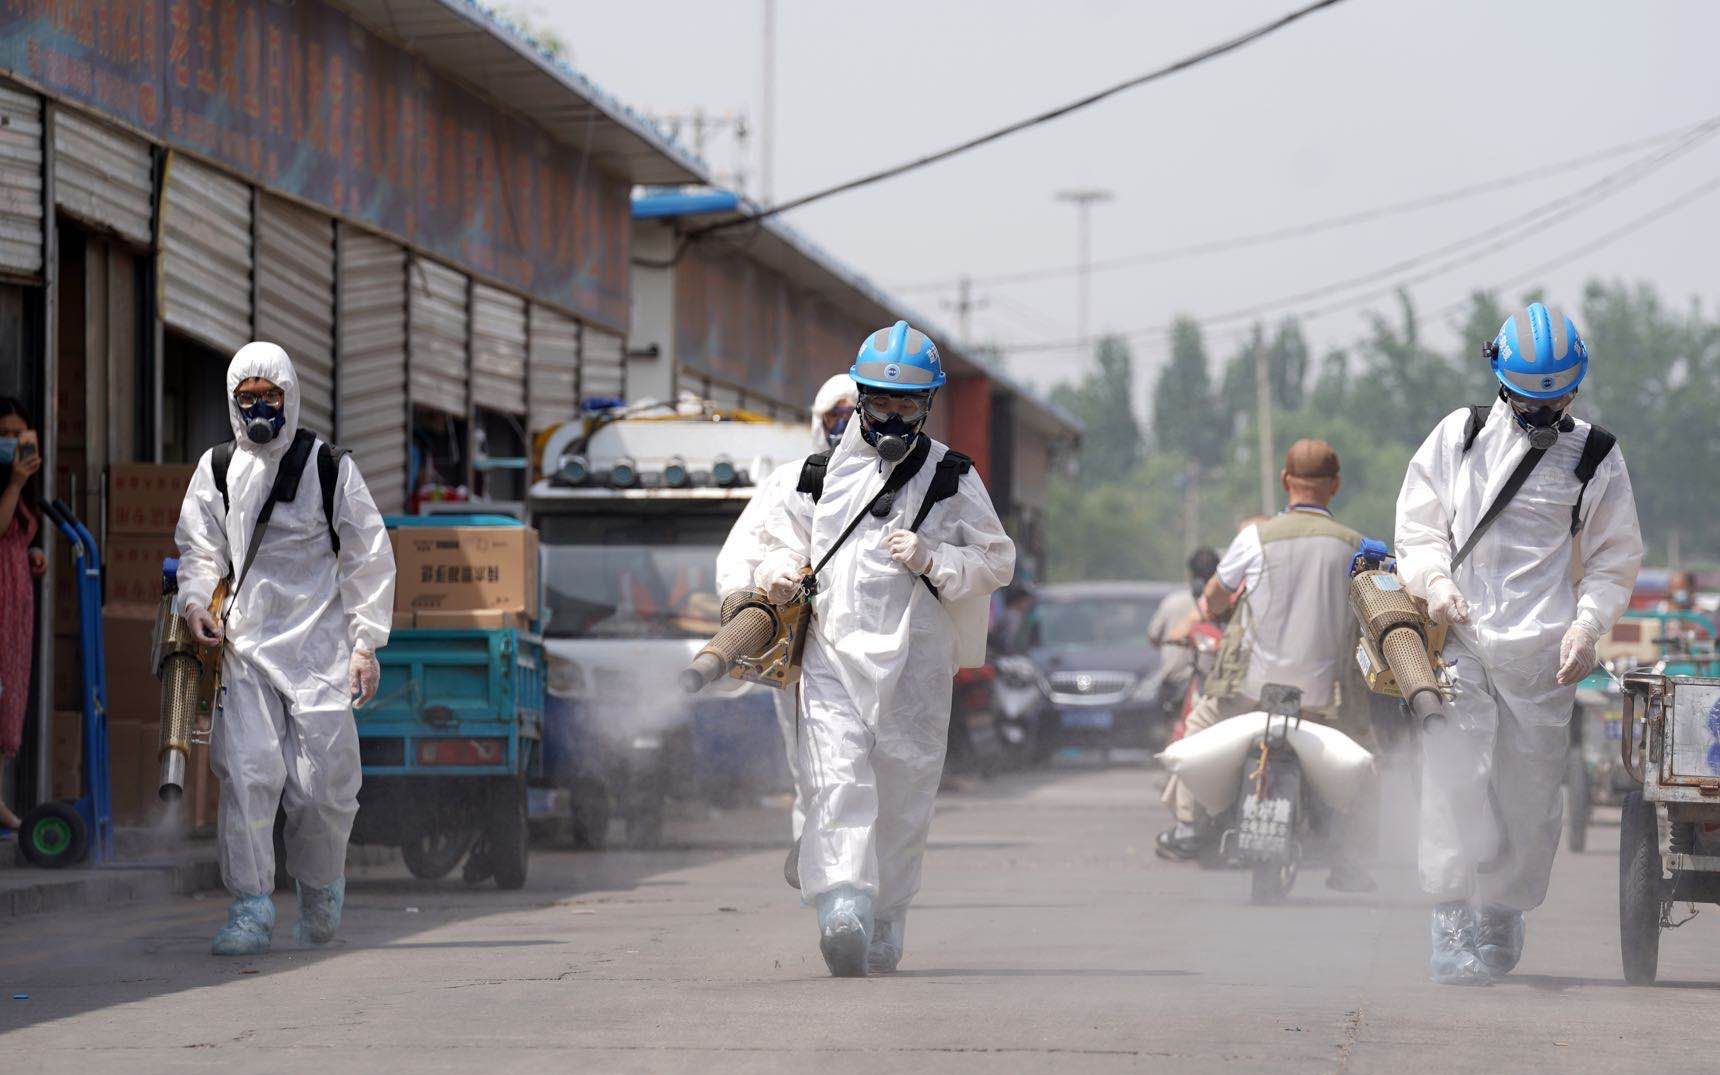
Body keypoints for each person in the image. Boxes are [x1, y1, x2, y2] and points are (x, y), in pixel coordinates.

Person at [753, 320, 1015, 976]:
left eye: (906, 405)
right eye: (880, 403)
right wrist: (780, 567)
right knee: (836, 776)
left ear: (925, 406)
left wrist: (936, 556)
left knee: (902, 792)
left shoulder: (952, 477)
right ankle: (842, 904)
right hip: (832, 654)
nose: (892, 417)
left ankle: (888, 913)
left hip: (916, 664)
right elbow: (773, 536)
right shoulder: (813, 476)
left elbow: (997, 559)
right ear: (860, 399)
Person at [1396, 302, 1641, 985]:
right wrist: (1435, 582)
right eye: (1531, 402)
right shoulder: (1460, 437)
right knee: (1457, 772)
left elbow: (1615, 560)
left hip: (1544, 656)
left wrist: (1587, 627)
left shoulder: (1596, 456)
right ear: (1504, 382)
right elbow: (1418, 530)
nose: (1542, 414)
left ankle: (1502, 908)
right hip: (1465, 636)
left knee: (1530, 793)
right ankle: (1450, 914)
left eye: (1555, 400)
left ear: (1574, 388)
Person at [174, 342, 396, 956]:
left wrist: (365, 644)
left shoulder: (329, 467)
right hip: (245, 647)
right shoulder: (217, 468)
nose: (258, 410)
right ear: (232, 401)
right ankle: (249, 906)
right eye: (247, 399)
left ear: (290, 397)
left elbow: (369, 557)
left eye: (269, 398)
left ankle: (321, 888)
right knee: (248, 777)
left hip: (321, 651)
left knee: (325, 787)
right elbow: (200, 550)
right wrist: (196, 603)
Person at [1155, 440, 1378, 893]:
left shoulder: (1254, 539)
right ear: (1334, 486)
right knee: (1369, 759)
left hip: (1251, 693)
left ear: (1284, 481)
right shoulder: (1357, 547)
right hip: (1326, 699)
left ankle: (1189, 827)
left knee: (1195, 728)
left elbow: (1216, 596)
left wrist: (1209, 608)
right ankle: (1352, 857)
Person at [714, 372, 858, 888]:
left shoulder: (895, 483)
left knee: (864, 771)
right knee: (812, 769)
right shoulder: (790, 481)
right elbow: (739, 556)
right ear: (819, 423)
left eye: (853, 413)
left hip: (867, 652)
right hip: (803, 651)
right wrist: (764, 582)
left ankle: (859, 876)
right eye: (834, 416)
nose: (845, 426)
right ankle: (825, 876)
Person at [0, 398, 45, 832]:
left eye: (19, 433)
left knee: (7, 697)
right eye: (5, 433)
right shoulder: (10, 482)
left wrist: (33, 553)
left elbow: (17, 532)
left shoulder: (25, 485)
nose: (12, 441)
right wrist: (13, 481)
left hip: (16, 604)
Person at [1150, 547, 1220, 710]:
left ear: (1189, 574)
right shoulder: (1224, 605)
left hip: (1180, 684)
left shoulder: (1172, 602)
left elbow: (1154, 638)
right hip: (1207, 687)